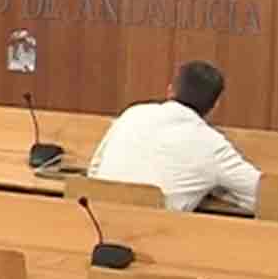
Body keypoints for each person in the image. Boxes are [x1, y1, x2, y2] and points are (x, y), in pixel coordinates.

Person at [86, 61, 262, 212]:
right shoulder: (211, 145)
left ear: (170, 91)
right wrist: (218, 189)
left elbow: (94, 170)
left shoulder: (133, 113)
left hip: (95, 228)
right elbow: (261, 196)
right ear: (215, 106)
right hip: (157, 238)